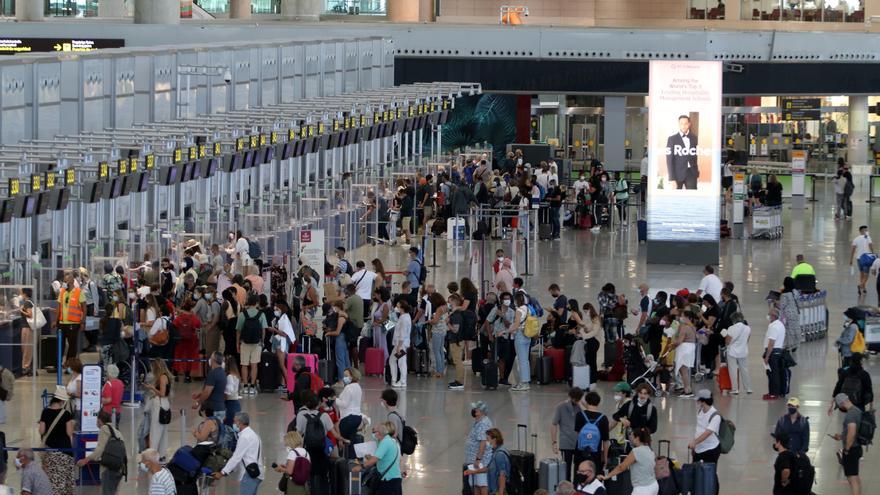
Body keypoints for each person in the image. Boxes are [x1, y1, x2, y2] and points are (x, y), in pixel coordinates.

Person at [76, 410, 125, 495]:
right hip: (119, 467)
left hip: (109, 467)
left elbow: (100, 449)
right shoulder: (116, 431)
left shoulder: (104, 429)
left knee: (107, 492)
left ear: (99, 420)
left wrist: (86, 460)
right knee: (113, 491)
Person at [214, 412, 264, 494]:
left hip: (249, 474)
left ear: (239, 423)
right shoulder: (253, 434)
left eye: (234, 422)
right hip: (256, 471)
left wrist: (223, 472)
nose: (233, 424)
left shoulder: (245, 437)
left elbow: (236, 457)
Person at [39, 387, 76, 495]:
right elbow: (69, 433)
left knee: (53, 481)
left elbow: (41, 431)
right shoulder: (66, 414)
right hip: (65, 451)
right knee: (66, 481)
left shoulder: (45, 412)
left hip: (50, 451)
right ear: (62, 401)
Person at [598, 428, 657, 495]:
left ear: (637, 438)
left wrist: (606, 477)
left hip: (642, 488)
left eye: (632, 437)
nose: (630, 440)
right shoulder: (650, 450)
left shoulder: (636, 451)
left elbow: (621, 467)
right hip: (653, 485)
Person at [689, 389, 722, 492]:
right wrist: (695, 445)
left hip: (711, 449)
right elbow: (699, 429)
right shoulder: (700, 411)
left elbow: (708, 433)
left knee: (710, 473)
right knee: (696, 471)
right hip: (699, 449)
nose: (697, 402)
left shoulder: (715, 416)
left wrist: (695, 442)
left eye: (698, 400)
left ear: (703, 401)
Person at [356, 421, 402, 495]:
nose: (374, 434)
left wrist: (361, 466)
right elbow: (384, 459)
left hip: (389, 480)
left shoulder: (385, 442)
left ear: (380, 433)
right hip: (392, 478)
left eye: (375, 432)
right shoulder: (388, 441)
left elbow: (374, 460)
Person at [831, 393, 863, 495]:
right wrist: (841, 436)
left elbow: (852, 432)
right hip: (857, 447)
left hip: (851, 449)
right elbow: (853, 431)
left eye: (839, 406)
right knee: (855, 477)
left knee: (852, 478)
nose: (840, 408)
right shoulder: (857, 410)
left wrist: (846, 449)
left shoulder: (850, 415)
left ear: (842, 403)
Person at [463, 428, 510, 495]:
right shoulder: (495, 452)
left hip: (497, 491)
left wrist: (500, 492)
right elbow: (488, 468)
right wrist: (473, 472)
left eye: (488, 439)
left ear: (494, 439)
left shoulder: (499, 454)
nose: (486, 442)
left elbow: (502, 475)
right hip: (493, 490)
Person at [235, 294, 267, 394]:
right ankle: (252, 386)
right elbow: (263, 330)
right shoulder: (261, 314)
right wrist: (262, 341)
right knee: (254, 364)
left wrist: (237, 343)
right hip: (257, 343)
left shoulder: (242, 314)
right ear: (257, 303)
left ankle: (244, 386)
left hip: (244, 342)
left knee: (244, 364)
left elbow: (238, 330)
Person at [55, 270, 86, 369]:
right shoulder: (62, 292)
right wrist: (56, 321)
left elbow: (84, 308)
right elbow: (59, 307)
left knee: (72, 346)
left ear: (72, 281)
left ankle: (69, 365)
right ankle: (59, 364)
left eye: (66, 281)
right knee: (60, 344)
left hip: (73, 323)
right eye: (64, 280)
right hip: (62, 323)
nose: (65, 283)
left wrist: (82, 322)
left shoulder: (78, 292)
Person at [552, 387, 584, 481]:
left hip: (579, 442)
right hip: (566, 443)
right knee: (566, 469)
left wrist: (581, 404)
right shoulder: (560, 407)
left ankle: (577, 486)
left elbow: (587, 417)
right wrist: (554, 442)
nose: (575, 401)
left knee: (579, 468)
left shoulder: (581, 407)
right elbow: (554, 424)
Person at [141, 358, 172, 457]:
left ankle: (152, 455)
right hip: (165, 404)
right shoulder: (166, 376)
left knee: (155, 431)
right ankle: (161, 454)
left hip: (159, 404)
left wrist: (152, 388)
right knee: (163, 432)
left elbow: (162, 393)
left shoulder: (162, 377)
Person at [573, 391, 610, 473]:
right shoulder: (603, 418)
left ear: (586, 402)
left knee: (579, 476)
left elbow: (578, 435)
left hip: (580, 453)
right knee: (593, 478)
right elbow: (605, 441)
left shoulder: (580, 415)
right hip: (595, 454)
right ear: (598, 403)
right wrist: (605, 457)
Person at [464, 401, 493, 495]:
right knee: (475, 484)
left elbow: (483, 442)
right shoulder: (479, 421)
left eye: (477, 410)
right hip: (474, 459)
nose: (474, 411)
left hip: (480, 460)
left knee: (481, 484)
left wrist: (478, 459)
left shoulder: (483, 423)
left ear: (483, 412)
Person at [721, 312, 753, 395]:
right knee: (745, 369)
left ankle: (735, 389)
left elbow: (727, 341)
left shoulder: (731, 328)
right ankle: (748, 388)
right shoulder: (747, 328)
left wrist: (725, 336)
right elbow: (747, 340)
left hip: (732, 352)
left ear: (733, 319)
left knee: (733, 370)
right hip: (743, 351)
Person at [665, 115, 699, 190]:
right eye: (681, 123)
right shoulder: (672, 139)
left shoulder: (694, 138)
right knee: (676, 198)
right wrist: (671, 178)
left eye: (686, 123)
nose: (683, 126)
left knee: (692, 198)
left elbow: (695, 156)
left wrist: (696, 172)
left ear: (689, 124)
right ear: (679, 124)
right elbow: (669, 159)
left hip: (691, 173)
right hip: (677, 173)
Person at [192, 351, 227, 420]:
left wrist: (197, 403)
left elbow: (207, 392)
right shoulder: (222, 372)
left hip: (213, 409)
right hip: (221, 408)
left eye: (211, 358)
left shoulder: (213, 374)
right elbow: (216, 389)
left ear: (214, 360)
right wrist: (200, 394)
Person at [172, 299, 201, 383]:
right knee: (189, 358)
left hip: (180, 341)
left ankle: (176, 376)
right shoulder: (194, 318)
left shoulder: (179, 317)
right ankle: (187, 376)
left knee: (177, 356)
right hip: (191, 341)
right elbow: (198, 325)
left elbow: (174, 325)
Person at [273, 431, 311, 495]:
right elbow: (301, 468)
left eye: (286, 443)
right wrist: (286, 467)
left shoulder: (292, 453)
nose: (286, 445)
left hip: (294, 485)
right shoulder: (306, 453)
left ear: (290, 442)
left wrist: (281, 469)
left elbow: (290, 471)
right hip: (304, 485)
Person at [508, 292, 532, 392]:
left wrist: (506, 331)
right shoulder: (528, 309)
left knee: (521, 360)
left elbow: (516, 325)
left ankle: (524, 383)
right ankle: (526, 382)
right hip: (528, 335)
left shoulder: (518, 310)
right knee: (525, 360)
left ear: (516, 300)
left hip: (520, 336)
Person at [672, 311, 698, 398]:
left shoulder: (684, 327)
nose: (681, 318)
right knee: (684, 369)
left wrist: (672, 344)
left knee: (683, 370)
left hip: (684, 349)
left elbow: (679, 341)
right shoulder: (692, 327)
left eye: (682, 316)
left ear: (688, 318)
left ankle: (687, 390)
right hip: (690, 348)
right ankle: (687, 388)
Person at [336, 368, 364, 446]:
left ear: (352, 376)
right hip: (357, 417)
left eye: (346, 375)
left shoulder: (348, 388)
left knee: (346, 440)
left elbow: (344, 404)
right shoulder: (358, 387)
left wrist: (335, 399)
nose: (344, 377)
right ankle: (354, 456)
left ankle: (347, 456)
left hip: (348, 418)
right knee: (353, 438)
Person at [763, 308, 787, 400]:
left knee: (772, 373)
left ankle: (773, 393)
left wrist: (767, 356)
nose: (768, 316)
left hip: (772, 352)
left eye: (769, 314)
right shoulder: (780, 324)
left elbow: (771, 343)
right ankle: (775, 392)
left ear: (773, 316)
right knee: (776, 372)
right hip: (778, 351)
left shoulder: (773, 326)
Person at [446, 293, 467, 390]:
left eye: (449, 302)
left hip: (457, 341)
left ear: (454, 302)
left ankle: (459, 381)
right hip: (455, 340)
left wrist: (447, 323)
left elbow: (455, 330)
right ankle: (458, 380)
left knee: (458, 361)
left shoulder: (457, 315)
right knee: (456, 360)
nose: (448, 304)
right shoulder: (454, 314)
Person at [390, 300, 411, 388]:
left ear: (402, 308)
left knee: (401, 362)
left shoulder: (405, 318)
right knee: (393, 360)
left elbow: (403, 333)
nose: (396, 308)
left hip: (401, 344)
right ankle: (395, 380)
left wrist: (398, 347)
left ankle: (402, 382)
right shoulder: (402, 317)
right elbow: (396, 328)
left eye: (398, 306)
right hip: (399, 344)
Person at [777, 277, 801, 352]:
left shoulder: (785, 295)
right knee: (795, 329)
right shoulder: (795, 292)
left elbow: (781, 306)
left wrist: (775, 302)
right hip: (796, 313)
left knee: (788, 331)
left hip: (787, 315)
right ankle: (795, 345)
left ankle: (788, 346)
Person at [851, 225, 874, 295]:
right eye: (866, 230)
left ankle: (863, 288)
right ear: (862, 231)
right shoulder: (868, 238)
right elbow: (871, 246)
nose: (867, 231)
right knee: (866, 275)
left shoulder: (856, 239)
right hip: (866, 258)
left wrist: (851, 259)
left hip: (859, 259)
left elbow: (853, 250)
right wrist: (873, 253)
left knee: (861, 273)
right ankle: (861, 285)